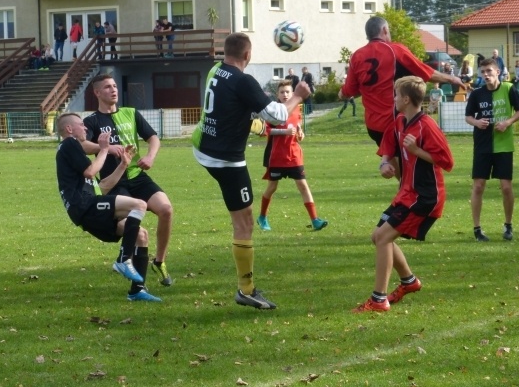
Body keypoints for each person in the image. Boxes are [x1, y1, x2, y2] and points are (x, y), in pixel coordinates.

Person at [192, 33, 311, 310]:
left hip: (203, 147)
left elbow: (230, 106)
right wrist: (298, 96)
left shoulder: (215, 69)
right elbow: (278, 114)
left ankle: (246, 289)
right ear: (248, 55)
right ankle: (246, 290)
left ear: (225, 52)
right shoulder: (242, 80)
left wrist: (251, 125)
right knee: (244, 224)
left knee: (242, 219)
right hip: (226, 160)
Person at [353, 76, 454, 313]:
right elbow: (387, 150)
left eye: (396, 95)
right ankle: (409, 282)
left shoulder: (427, 126)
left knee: (384, 238)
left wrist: (416, 150)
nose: (394, 98)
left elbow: (447, 162)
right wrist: (384, 165)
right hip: (406, 193)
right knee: (377, 236)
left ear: (406, 99)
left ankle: (379, 300)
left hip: (425, 196)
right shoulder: (399, 122)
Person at [82, 75, 175, 289]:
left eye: (114, 86)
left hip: (136, 176)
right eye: (107, 87)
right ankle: (127, 266)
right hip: (113, 181)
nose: (113, 90)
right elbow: (83, 145)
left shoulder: (130, 113)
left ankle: (159, 261)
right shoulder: (92, 121)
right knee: (135, 228)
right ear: (97, 93)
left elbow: (153, 138)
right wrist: (103, 148)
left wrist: (150, 156)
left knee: (166, 209)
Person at [55, 113, 160, 302]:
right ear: (69, 129)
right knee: (139, 204)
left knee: (141, 235)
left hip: (88, 210)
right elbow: (90, 171)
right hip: (84, 207)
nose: (86, 128)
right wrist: (104, 149)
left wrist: (123, 165)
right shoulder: (70, 144)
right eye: (81, 125)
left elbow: (101, 187)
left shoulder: (71, 152)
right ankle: (123, 259)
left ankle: (137, 290)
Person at [339, 16, 465, 147]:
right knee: (415, 161)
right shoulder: (395, 50)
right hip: (396, 122)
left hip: (374, 126)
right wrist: (452, 78)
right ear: (385, 30)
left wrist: (342, 93)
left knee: (391, 162)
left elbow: (351, 89)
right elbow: (425, 72)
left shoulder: (356, 56)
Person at [465, 58, 519, 242]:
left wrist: (507, 122)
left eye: (489, 71)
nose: (486, 75)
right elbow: (468, 116)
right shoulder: (477, 94)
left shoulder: (508, 89)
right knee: (478, 186)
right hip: (482, 145)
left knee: (506, 187)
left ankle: (508, 225)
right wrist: (477, 122)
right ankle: (477, 229)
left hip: (503, 145)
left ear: (498, 72)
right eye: (482, 72)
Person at [256, 80, 328, 232]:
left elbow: (297, 127)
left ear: (292, 93)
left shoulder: (296, 109)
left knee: (303, 185)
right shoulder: (273, 110)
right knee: (272, 187)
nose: (285, 94)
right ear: (278, 94)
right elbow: (265, 131)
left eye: (288, 91)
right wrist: (284, 132)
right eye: (282, 92)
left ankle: (315, 219)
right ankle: (262, 217)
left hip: (294, 155)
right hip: (277, 156)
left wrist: (300, 133)